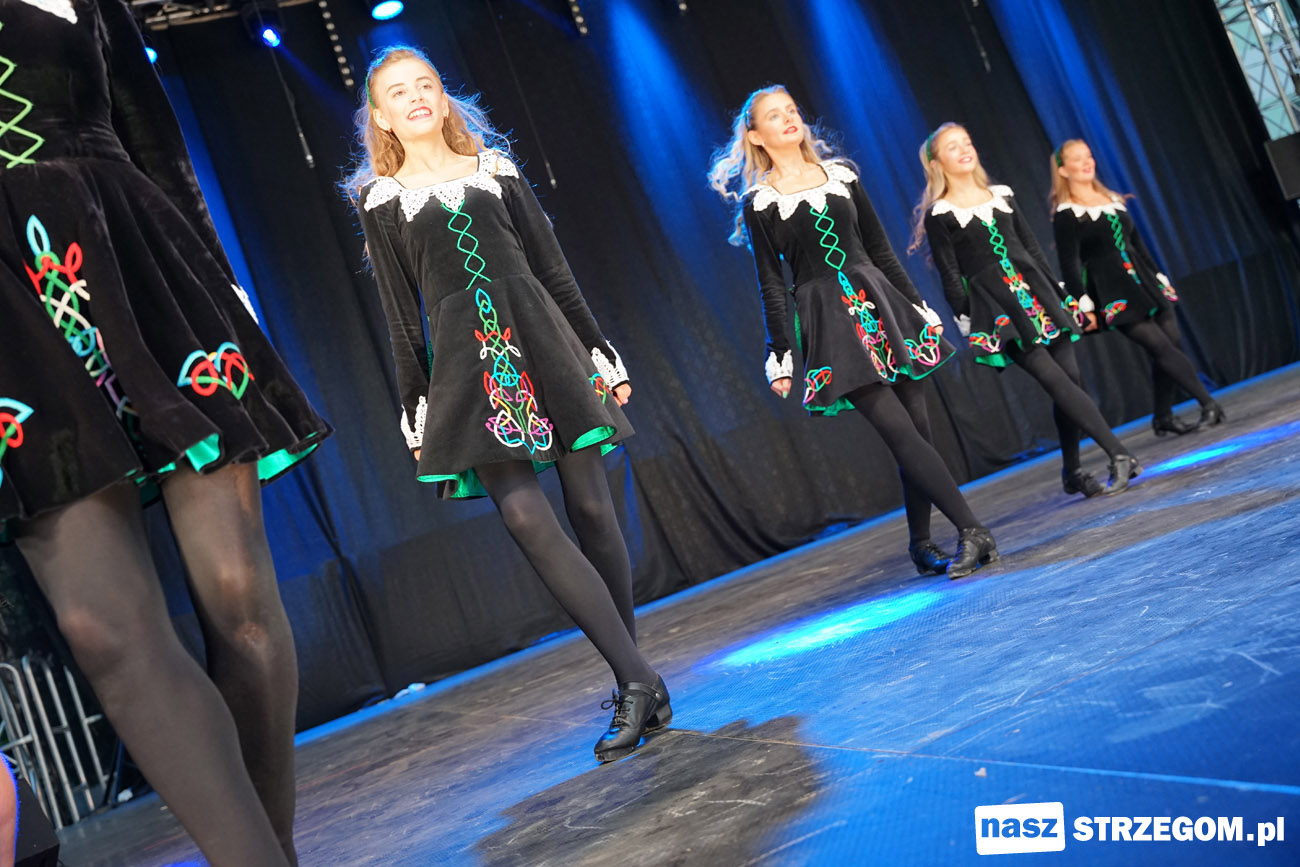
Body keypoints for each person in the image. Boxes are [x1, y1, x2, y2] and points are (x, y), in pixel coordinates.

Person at [0, 1, 331, 864]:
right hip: (9, 332)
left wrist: (220, 284)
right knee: (101, 626)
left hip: (134, 270)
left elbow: (157, 143)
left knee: (239, 600)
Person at [347, 45, 669, 761]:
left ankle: (634, 680)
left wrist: (597, 349)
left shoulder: (496, 170)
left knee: (592, 510)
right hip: (468, 369)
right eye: (398, 92)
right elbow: (401, 318)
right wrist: (416, 404)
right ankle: (639, 679)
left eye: (426, 84)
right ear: (382, 117)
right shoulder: (381, 200)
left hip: (548, 343)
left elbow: (553, 269)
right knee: (525, 515)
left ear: (444, 99)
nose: (416, 96)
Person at [709, 86, 997, 579]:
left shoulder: (841, 176)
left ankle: (921, 542)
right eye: (774, 116)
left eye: (792, 110)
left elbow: (881, 251)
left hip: (881, 304)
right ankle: (973, 529)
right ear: (755, 136)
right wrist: (779, 351)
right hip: (828, 319)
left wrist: (918, 306)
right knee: (901, 433)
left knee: (918, 433)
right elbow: (771, 283)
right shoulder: (761, 203)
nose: (789, 119)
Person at [910, 123, 1139, 496]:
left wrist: (1060, 295)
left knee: (1071, 380)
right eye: (953, 147)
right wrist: (968, 319)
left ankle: (1072, 471)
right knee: (1056, 380)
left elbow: (1031, 247)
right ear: (936, 163)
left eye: (967, 142)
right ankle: (1119, 453)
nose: (965, 149)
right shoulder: (941, 213)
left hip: (1037, 293)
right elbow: (950, 274)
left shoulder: (1001, 195)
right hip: (997, 307)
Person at [1050, 139, 1224, 434]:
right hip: (1111, 289)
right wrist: (1082, 303)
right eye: (1077, 159)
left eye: (1088, 156)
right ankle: (1209, 404)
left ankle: (1162, 417)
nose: (1086, 162)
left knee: (1170, 344)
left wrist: (1159, 277)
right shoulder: (1067, 213)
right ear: (1064, 170)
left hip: (1143, 279)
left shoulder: (1112, 200)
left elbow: (1137, 244)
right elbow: (1069, 262)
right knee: (1161, 347)